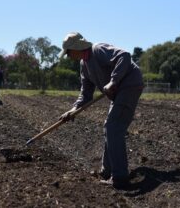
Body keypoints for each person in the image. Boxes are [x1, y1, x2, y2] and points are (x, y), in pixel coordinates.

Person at [59, 32, 143, 189]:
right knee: (109, 127)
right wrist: (73, 110)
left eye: (69, 52)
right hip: (117, 92)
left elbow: (124, 56)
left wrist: (113, 81)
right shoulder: (84, 64)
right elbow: (86, 93)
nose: (69, 56)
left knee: (113, 128)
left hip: (129, 84)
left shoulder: (97, 50)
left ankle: (120, 178)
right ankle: (107, 171)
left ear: (76, 47)